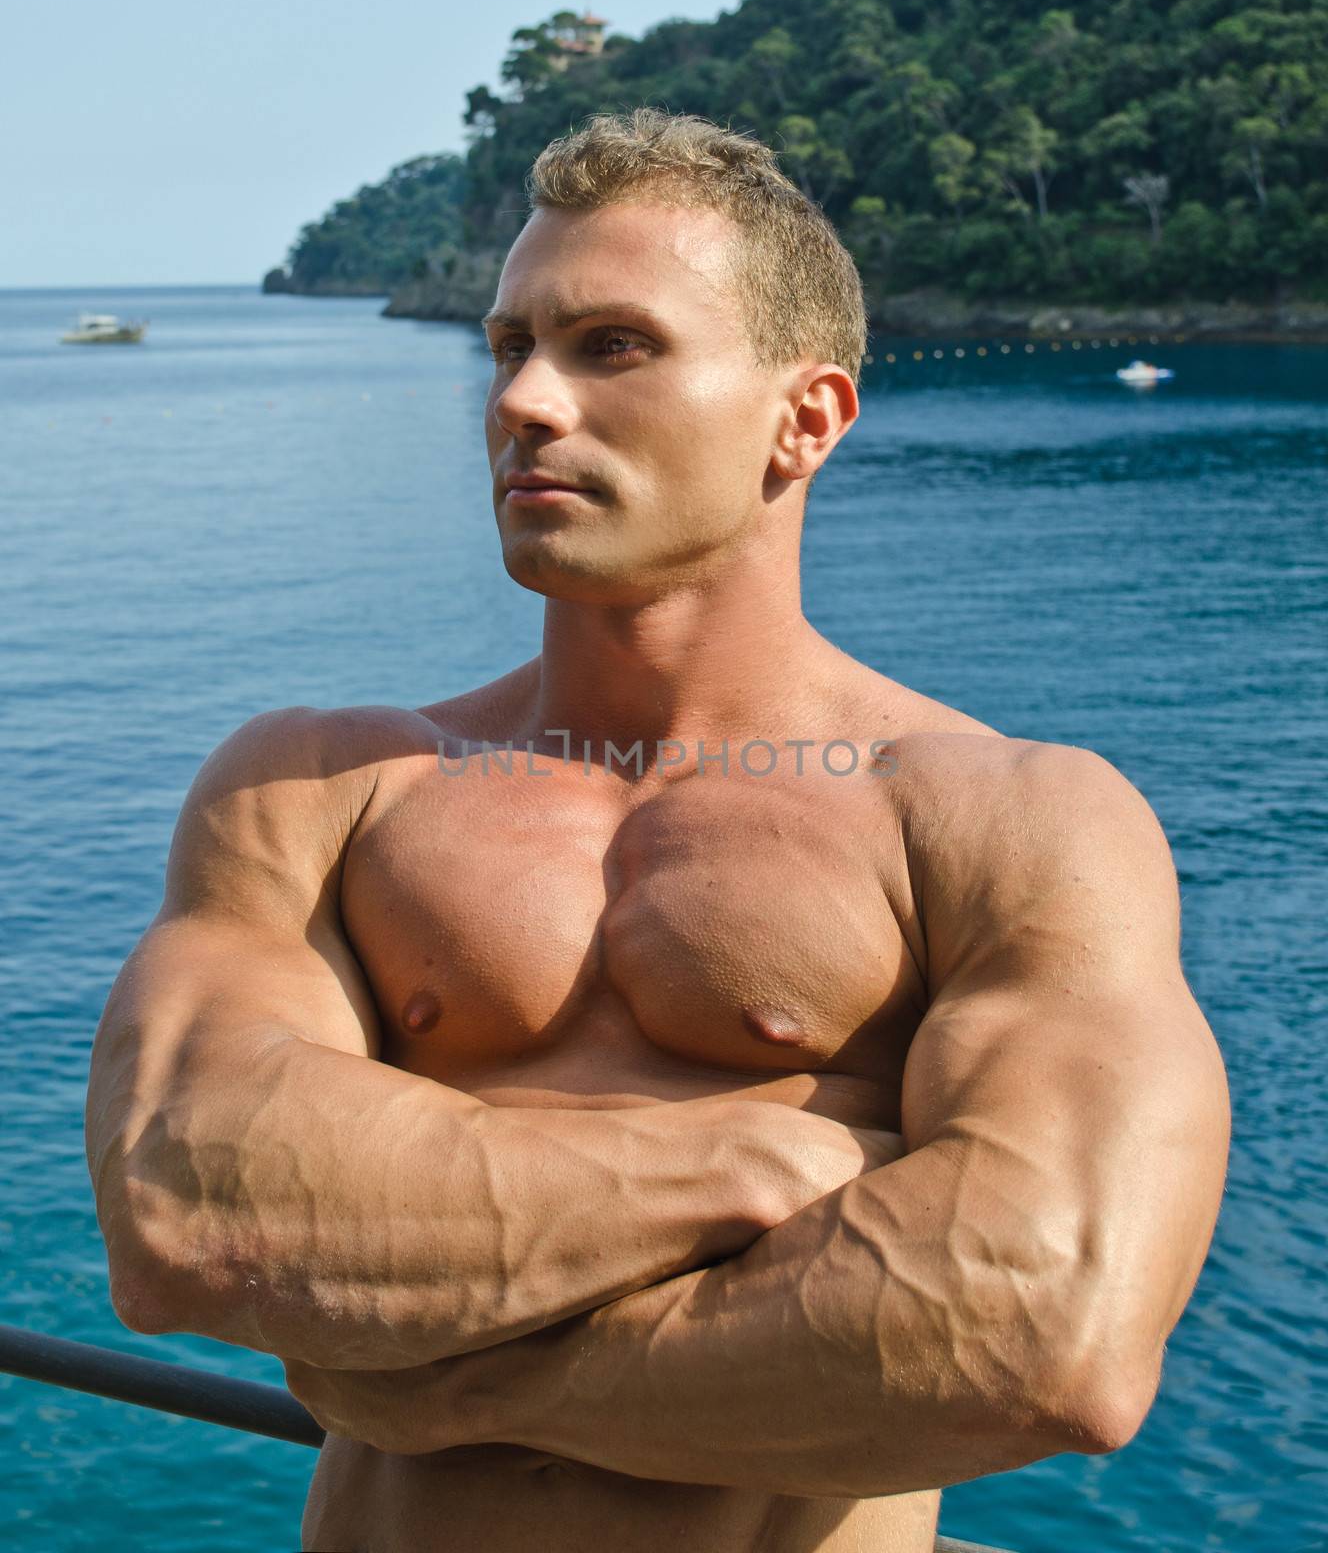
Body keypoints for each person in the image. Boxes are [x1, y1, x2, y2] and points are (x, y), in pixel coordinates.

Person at [85, 108, 1231, 1553]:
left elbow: (1045, 1325)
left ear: (803, 420)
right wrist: (755, 1168)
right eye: (508, 348)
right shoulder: (320, 785)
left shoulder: (1002, 815)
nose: (524, 402)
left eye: (611, 347)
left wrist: (421, 1380)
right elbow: (185, 1206)